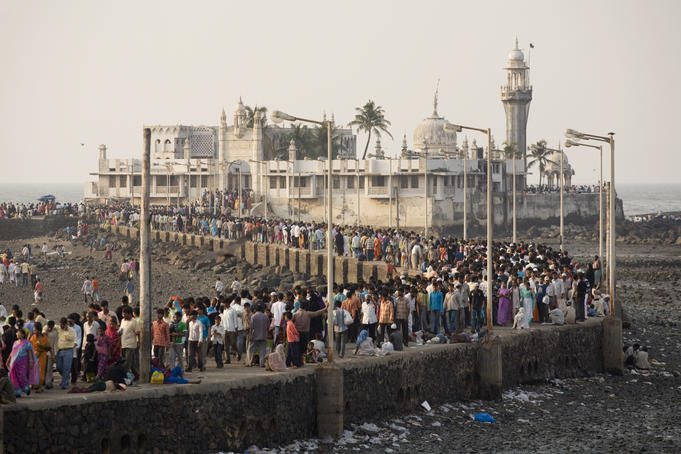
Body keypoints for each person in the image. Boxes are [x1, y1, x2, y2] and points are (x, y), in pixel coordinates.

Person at [8, 329, 39, 397]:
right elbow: (12, 352)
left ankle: (26, 388)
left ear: (23, 335)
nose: (18, 334)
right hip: (14, 362)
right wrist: (8, 360)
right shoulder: (15, 342)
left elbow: (29, 352)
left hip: (23, 362)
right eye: (17, 333)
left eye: (19, 333)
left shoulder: (27, 342)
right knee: (14, 376)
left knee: (22, 375)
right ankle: (17, 392)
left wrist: (31, 361)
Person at [119, 307, 140, 380]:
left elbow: (138, 333)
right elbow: (121, 330)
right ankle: (137, 374)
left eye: (125, 314)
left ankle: (124, 377)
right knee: (131, 362)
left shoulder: (134, 321)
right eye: (123, 314)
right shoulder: (122, 321)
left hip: (131, 344)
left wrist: (138, 342)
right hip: (123, 343)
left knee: (127, 362)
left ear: (129, 314)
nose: (124, 316)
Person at [29, 322, 50, 392]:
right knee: (33, 370)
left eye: (35, 330)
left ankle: (39, 385)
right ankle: (33, 384)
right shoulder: (32, 337)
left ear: (39, 330)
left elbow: (48, 347)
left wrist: (42, 348)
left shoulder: (45, 337)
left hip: (42, 356)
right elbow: (29, 347)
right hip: (34, 356)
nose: (34, 332)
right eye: (34, 330)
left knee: (41, 371)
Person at [55, 317, 76, 389]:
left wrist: (65, 331)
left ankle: (64, 383)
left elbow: (71, 338)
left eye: (63, 325)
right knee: (59, 367)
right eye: (61, 325)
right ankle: (66, 377)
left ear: (66, 324)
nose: (62, 326)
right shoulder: (58, 328)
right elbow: (49, 325)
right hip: (60, 350)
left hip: (68, 350)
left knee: (66, 367)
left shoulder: (71, 330)